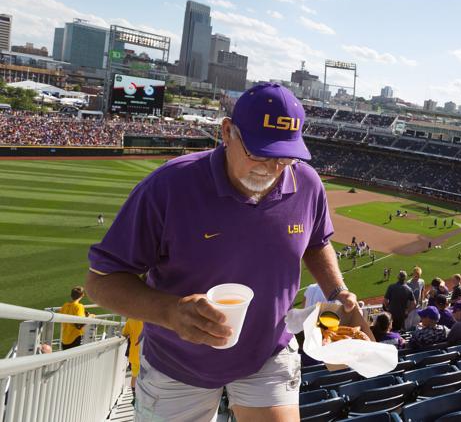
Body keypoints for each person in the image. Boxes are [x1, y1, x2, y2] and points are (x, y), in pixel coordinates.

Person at [85, 84, 357, 421]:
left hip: (268, 353)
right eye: (259, 152)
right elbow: (101, 281)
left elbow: (317, 242)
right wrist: (170, 312)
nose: (272, 169)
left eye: (284, 156)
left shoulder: (307, 183)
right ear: (227, 132)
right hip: (177, 362)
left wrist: (338, 290)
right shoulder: (169, 186)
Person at [123, 318, 145, 398]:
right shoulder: (150, 318)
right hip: (147, 354)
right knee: (147, 377)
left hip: (134, 353)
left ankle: (134, 397)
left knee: (134, 376)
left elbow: (124, 333)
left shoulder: (130, 319)